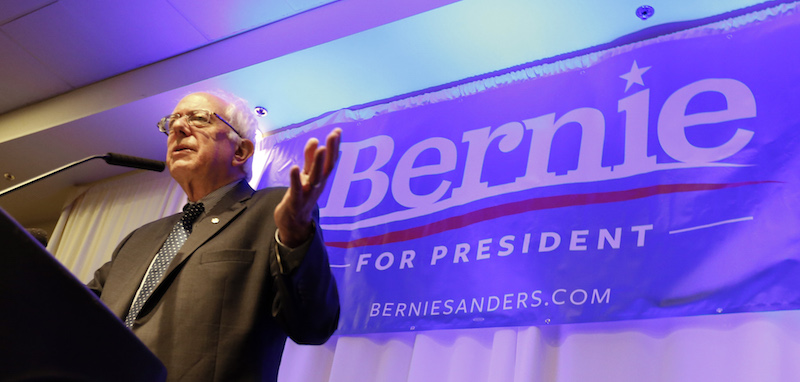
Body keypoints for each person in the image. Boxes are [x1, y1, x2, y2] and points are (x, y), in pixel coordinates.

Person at [87, 91, 341, 381]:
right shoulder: (138, 239)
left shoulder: (270, 211)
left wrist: (295, 236)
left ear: (240, 152)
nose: (179, 129)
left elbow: (314, 326)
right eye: (173, 123)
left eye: (199, 119)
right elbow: (72, 312)